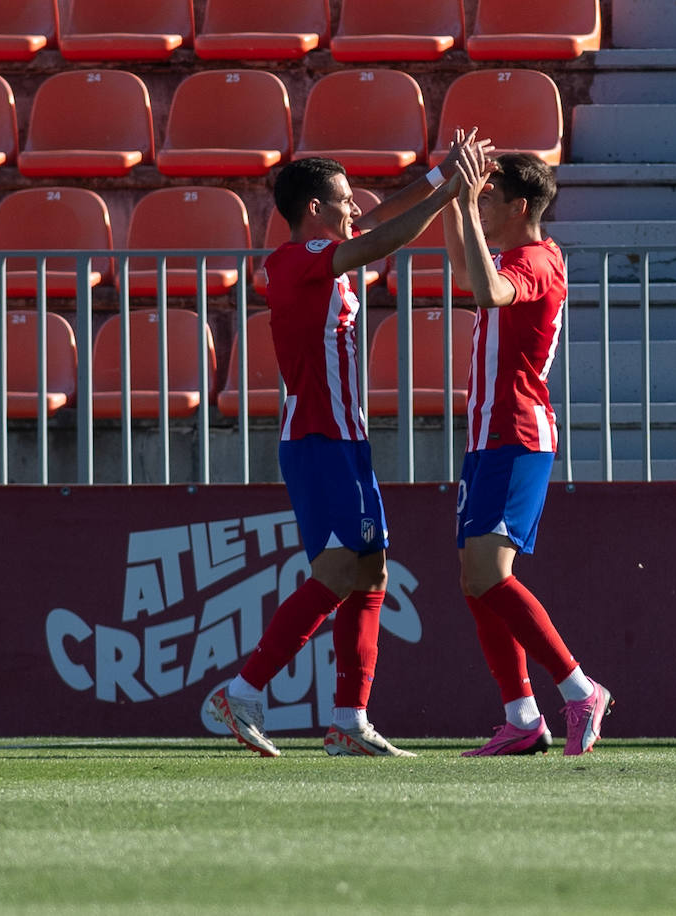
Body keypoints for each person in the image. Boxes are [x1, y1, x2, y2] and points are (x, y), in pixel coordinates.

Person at [208, 134, 483, 757]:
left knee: (371, 572)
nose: (354, 208)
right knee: (339, 572)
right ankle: (245, 690)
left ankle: (348, 720)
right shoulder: (294, 259)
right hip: (318, 437)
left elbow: (380, 220)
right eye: (342, 201)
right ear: (313, 209)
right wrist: (447, 201)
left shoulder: (320, 252)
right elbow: (383, 236)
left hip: (341, 438)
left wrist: (444, 177)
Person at [441, 143, 614, 756]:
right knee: (475, 579)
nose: (482, 203)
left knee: (489, 572)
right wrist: (453, 198)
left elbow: (485, 290)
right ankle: (522, 717)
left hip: (517, 432)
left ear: (518, 205)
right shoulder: (520, 254)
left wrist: (462, 200)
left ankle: (578, 689)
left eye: (490, 196)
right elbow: (467, 273)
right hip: (489, 434)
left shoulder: (535, 261)